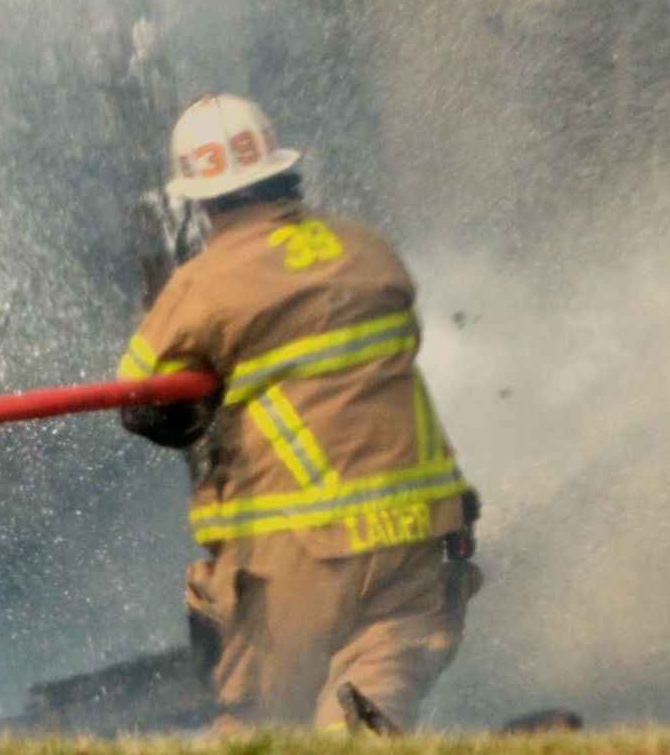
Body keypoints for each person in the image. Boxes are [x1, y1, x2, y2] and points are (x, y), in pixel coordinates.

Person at [116, 93, 480, 733]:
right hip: (420, 534)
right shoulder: (371, 252)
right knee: (372, 711)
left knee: (261, 729)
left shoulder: (204, 285)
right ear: (283, 170)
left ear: (202, 198)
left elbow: (140, 396)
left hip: (300, 557)